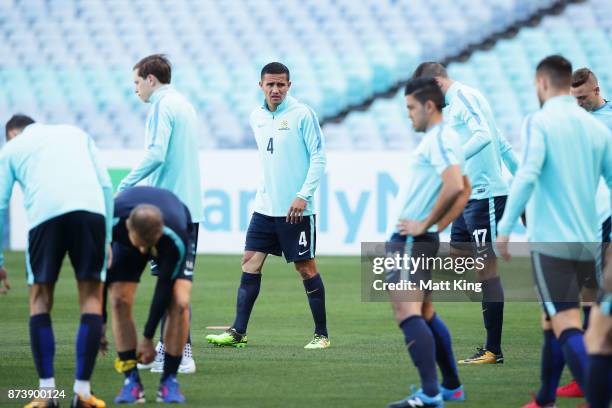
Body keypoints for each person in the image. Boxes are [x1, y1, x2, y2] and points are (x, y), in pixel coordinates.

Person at [496, 55, 612, 408]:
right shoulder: (595, 127)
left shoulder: (540, 121)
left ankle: (599, 399)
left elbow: (527, 174)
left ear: (543, 83)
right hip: (590, 239)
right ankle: (545, 397)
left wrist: (504, 227)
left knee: (566, 324)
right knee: (552, 320)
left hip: (553, 244)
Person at [206, 62, 329, 349]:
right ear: (261, 85)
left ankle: (321, 335)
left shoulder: (302, 115)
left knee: (306, 269)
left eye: (281, 85)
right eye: (270, 84)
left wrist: (303, 195)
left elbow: (319, 158)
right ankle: (238, 332)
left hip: (296, 210)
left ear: (289, 86)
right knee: (250, 261)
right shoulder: (256, 117)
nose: (275, 89)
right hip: (265, 207)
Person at [0, 115, 113, 408]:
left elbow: (0, 204)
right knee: (90, 298)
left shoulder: (12, 148)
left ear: (12, 133)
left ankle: (47, 394)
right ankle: (83, 393)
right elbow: (105, 187)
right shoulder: (76, 133)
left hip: (45, 216)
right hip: (91, 213)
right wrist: (108, 238)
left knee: (39, 299)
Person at [412, 62, 519, 365]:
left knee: (487, 270)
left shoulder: (466, 98)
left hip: (485, 195)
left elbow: (486, 135)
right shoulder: (450, 107)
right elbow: (501, 141)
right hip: (466, 195)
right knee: (458, 259)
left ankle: (493, 350)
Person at [386, 77, 471, 408]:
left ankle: (431, 394)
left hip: (410, 240)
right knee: (424, 311)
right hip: (420, 238)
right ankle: (451, 386)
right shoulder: (447, 138)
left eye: (410, 107)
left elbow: (453, 186)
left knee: (406, 311)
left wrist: (424, 223)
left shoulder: (438, 138)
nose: (409, 115)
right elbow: (463, 190)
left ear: (429, 106)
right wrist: (436, 226)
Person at [118, 54, 202, 374]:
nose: (135, 89)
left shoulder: (161, 106)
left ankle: (182, 353)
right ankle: (173, 349)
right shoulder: (183, 104)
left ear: (151, 79)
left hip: (168, 208)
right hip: (187, 206)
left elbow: (156, 153)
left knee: (170, 283)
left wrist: (126, 186)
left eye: (137, 82)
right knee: (175, 282)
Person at [108, 186, 196, 404]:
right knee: (119, 299)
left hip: (173, 227)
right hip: (127, 235)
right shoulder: (109, 223)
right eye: (142, 245)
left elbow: (163, 289)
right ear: (129, 229)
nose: (144, 252)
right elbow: (101, 277)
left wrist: (147, 338)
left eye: (149, 247)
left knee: (179, 303)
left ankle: (169, 381)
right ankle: (131, 382)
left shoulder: (174, 237)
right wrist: (99, 323)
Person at [570, 67, 612, 406]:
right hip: (586, 219)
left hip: (608, 219)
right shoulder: (576, 122)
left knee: (601, 294)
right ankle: (586, 373)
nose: (579, 103)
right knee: (588, 292)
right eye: (575, 98)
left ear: (596, 89)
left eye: (583, 97)